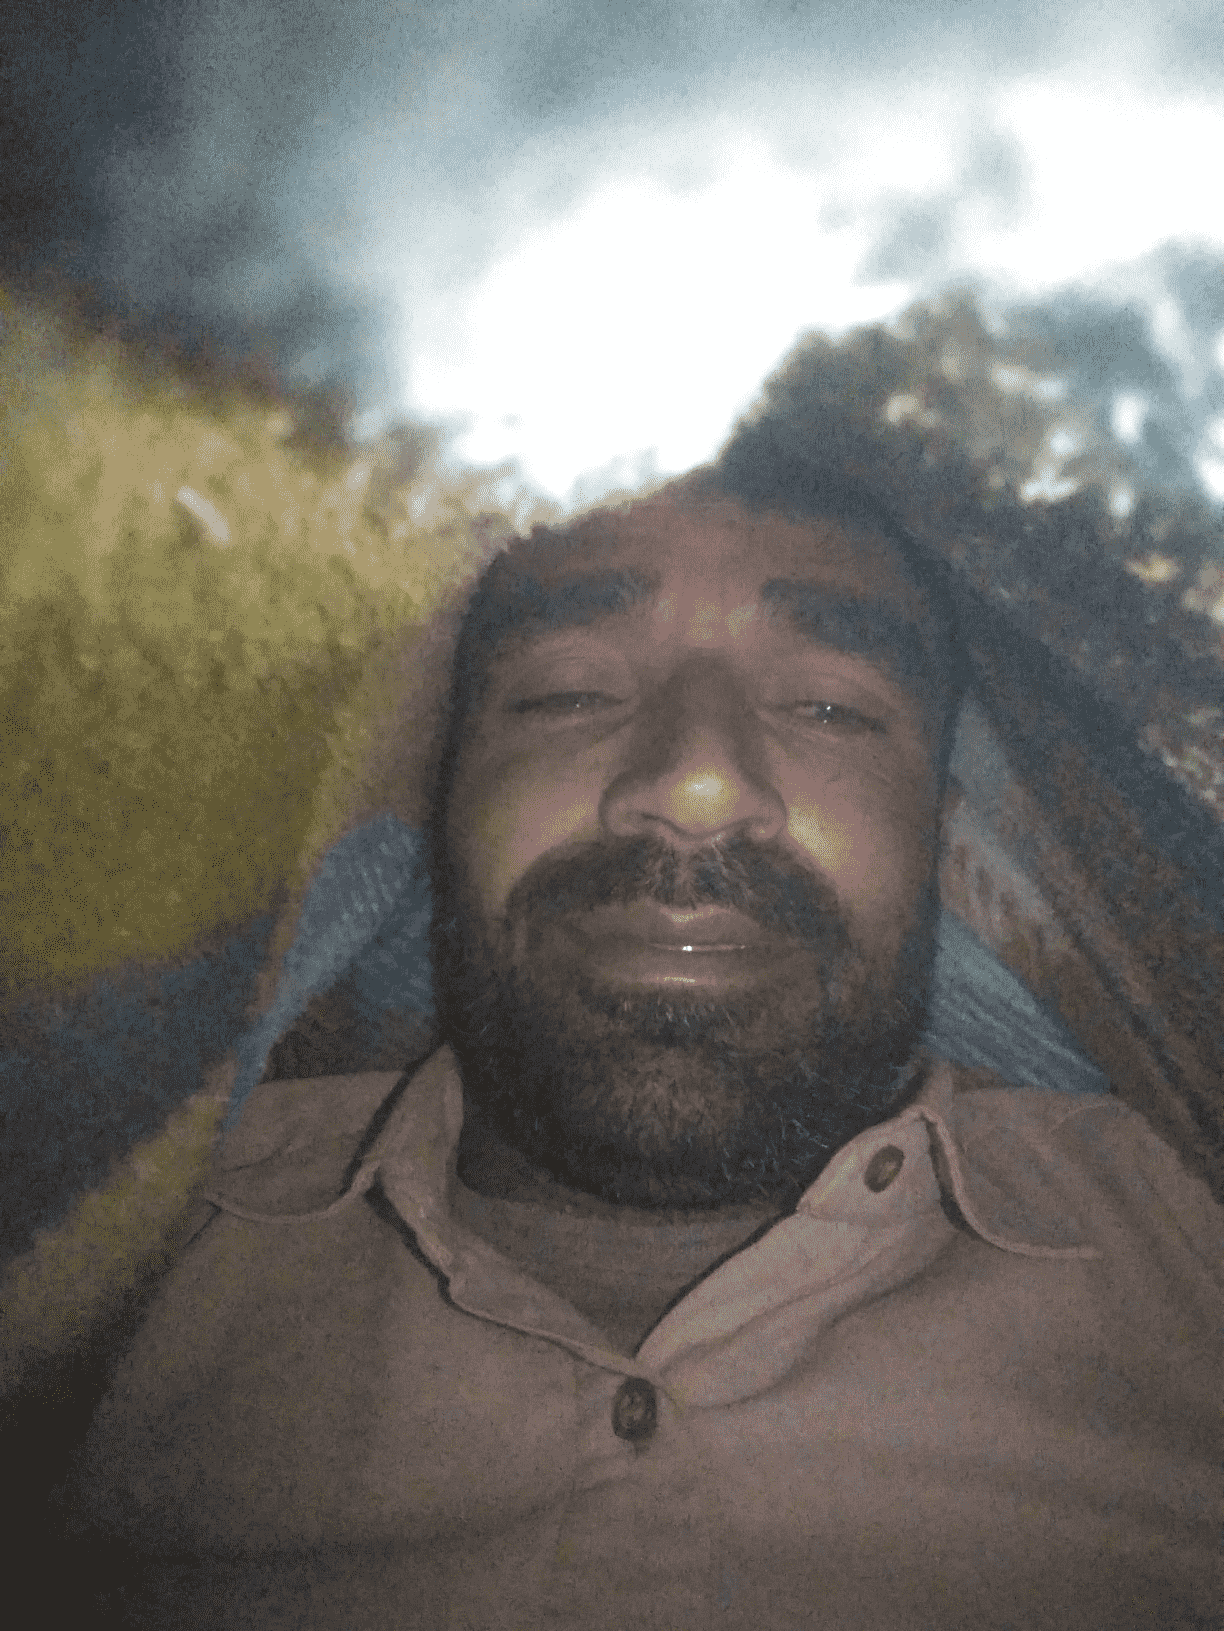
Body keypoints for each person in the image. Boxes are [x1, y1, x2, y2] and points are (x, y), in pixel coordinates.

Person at [66, 460, 1223, 1630]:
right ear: (437, 800)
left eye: (830, 707)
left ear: (948, 835)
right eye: (568, 693)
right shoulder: (112, 1274)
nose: (697, 783)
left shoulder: (1191, 1248)